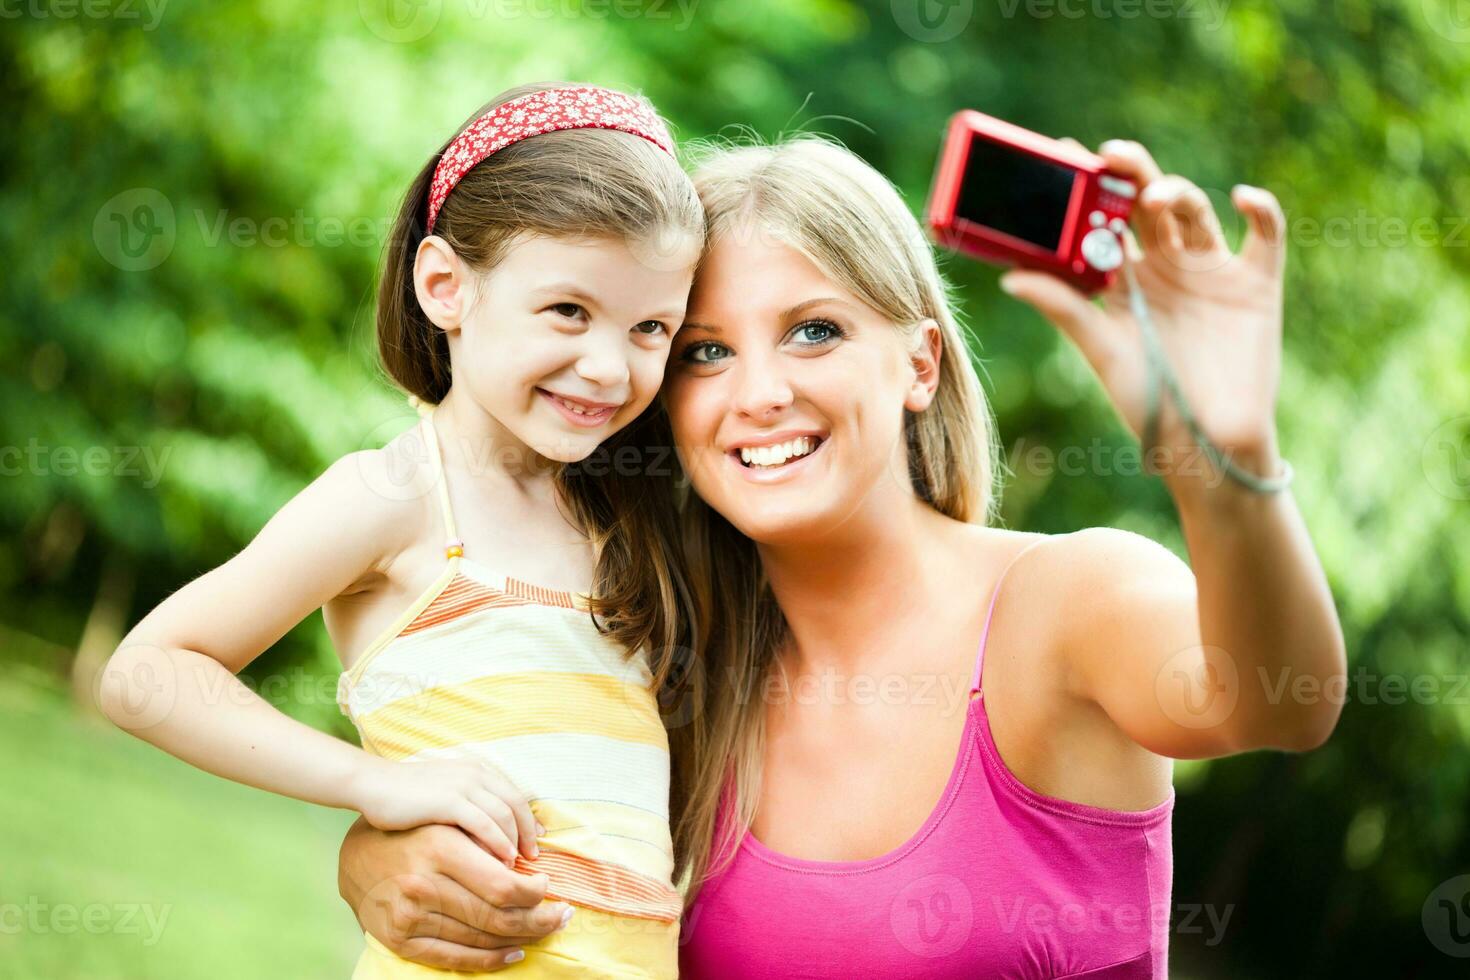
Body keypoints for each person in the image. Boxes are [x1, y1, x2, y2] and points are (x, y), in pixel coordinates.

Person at [336, 134, 1347, 977]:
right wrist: (375, 853)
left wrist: (1226, 459)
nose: (760, 390)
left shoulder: (1066, 601)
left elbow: (1279, 699)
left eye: (813, 331)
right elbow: (492, 835)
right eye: (704, 350)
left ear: (918, 361)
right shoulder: (659, 666)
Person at [99, 82, 706, 978]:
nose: (608, 366)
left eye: (651, 326)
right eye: (568, 311)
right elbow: (146, 674)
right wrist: (376, 786)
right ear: (444, 285)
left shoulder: (626, 524)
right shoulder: (398, 495)